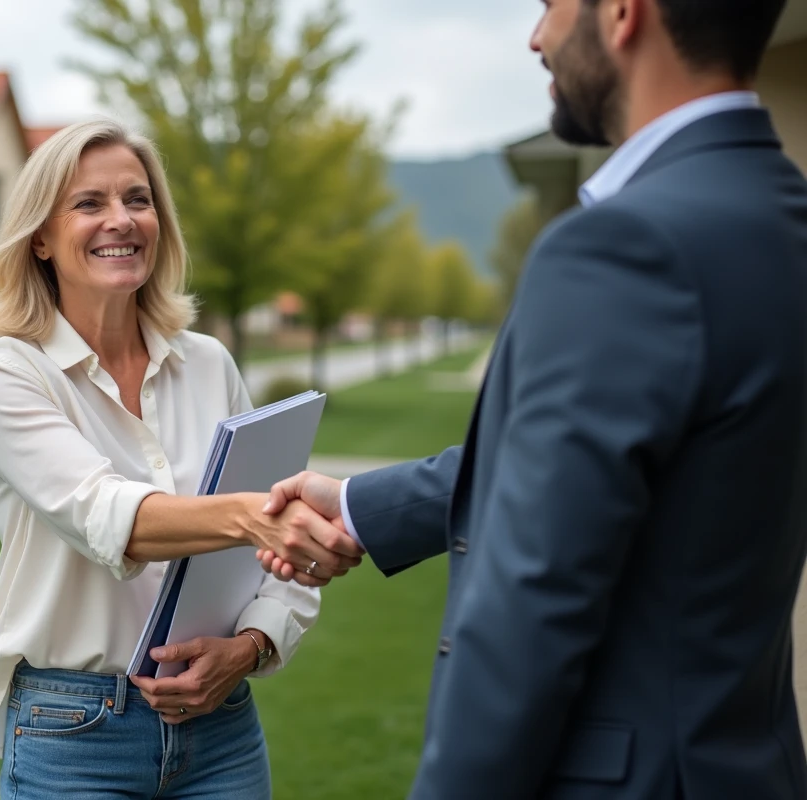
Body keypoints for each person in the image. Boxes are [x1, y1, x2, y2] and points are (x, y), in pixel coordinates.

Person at [258, 0, 807, 797]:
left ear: (623, 13)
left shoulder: (624, 246)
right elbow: (652, 473)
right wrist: (359, 504)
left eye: (550, 5)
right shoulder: (779, 219)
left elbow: (532, 608)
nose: (535, 36)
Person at [0, 118, 360, 800]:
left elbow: (282, 552)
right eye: (89, 204)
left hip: (222, 730)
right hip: (73, 735)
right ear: (41, 240)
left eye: (138, 199)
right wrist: (252, 518)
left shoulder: (210, 364)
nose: (121, 220)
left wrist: (252, 647)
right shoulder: (6, 375)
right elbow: (105, 516)